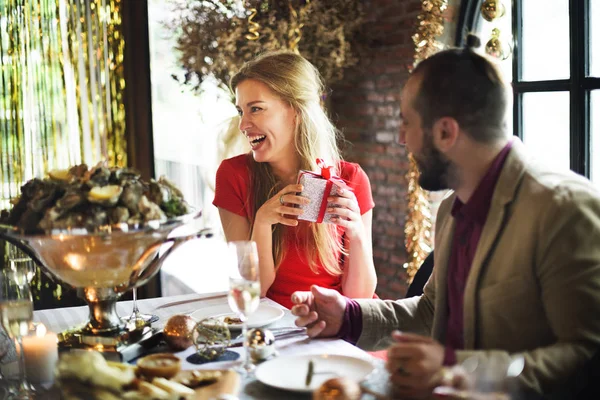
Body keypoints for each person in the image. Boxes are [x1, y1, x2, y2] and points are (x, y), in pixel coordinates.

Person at [291, 35, 600, 399]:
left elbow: (588, 357)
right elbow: (432, 311)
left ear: (445, 132)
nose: (402, 139)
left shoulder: (564, 208)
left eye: (407, 123)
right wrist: (350, 316)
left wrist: (460, 371)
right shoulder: (451, 209)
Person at [213, 51, 377, 309]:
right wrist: (263, 222)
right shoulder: (234, 176)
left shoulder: (351, 179)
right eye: (240, 111)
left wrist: (356, 232)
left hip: (339, 321)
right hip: (274, 323)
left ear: (296, 111)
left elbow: (360, 298)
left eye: (255, 109)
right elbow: (251, 292)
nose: (243, 124)